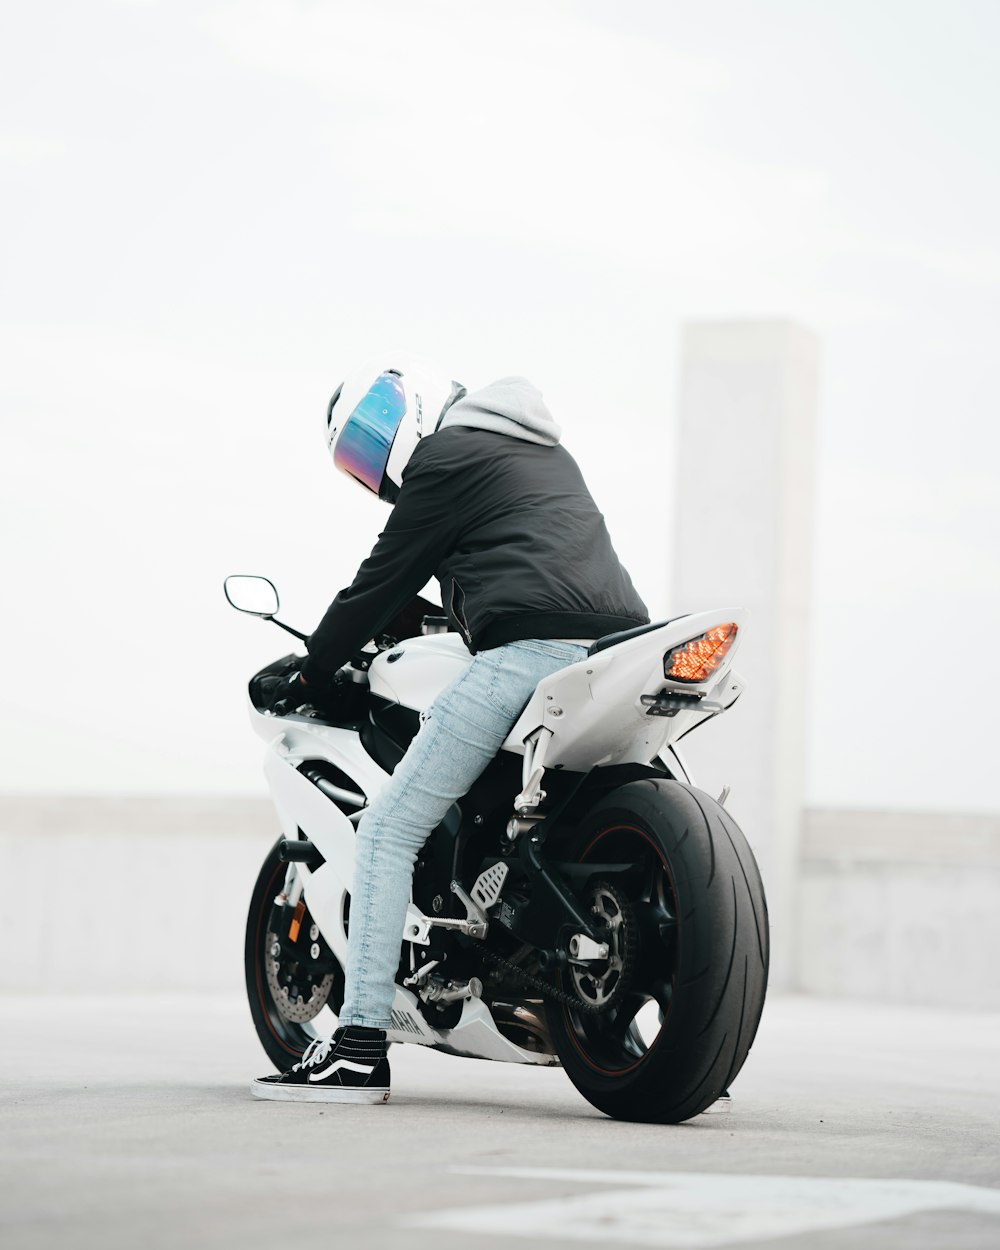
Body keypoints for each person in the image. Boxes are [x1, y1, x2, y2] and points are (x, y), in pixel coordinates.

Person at [251, 356, 648, 1104]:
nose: (374, 458)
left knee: (389, 832)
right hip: (616, 649)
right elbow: (503, 560)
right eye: (356, 453)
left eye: (373, 433)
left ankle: (359, 1045)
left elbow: (382, 580)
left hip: (531, 651)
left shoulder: (445, 455)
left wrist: (311, 671)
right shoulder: (536, 449)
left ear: (420, 405)